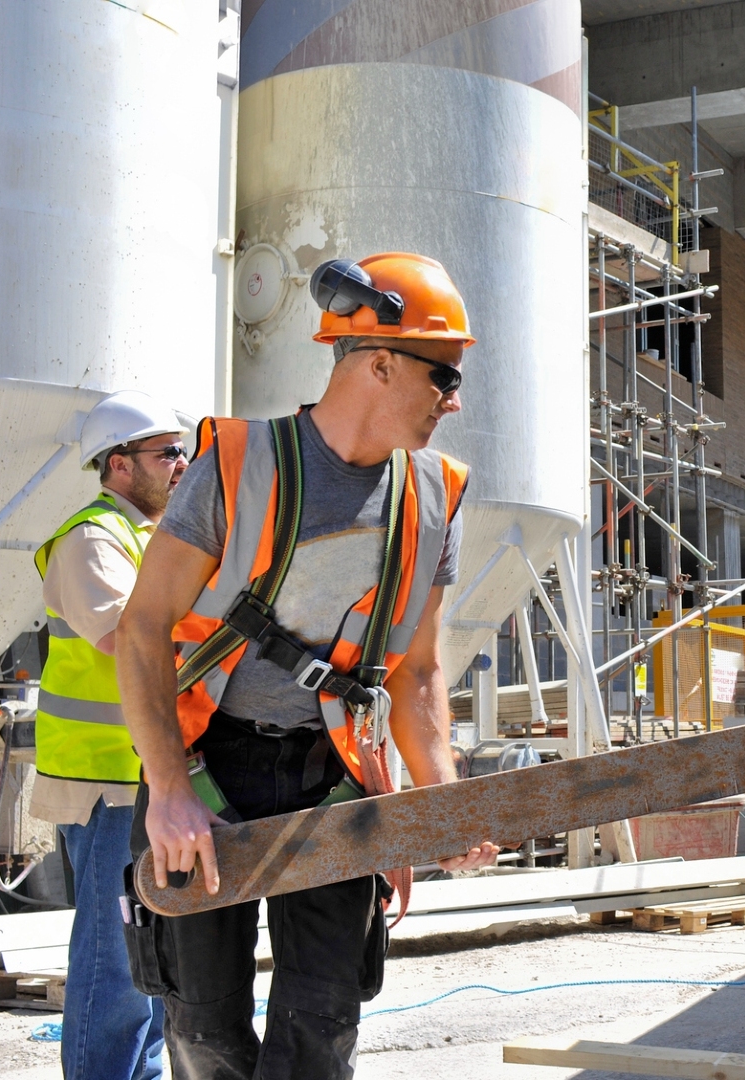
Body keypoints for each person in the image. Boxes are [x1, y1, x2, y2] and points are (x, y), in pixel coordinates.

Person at [115, 252, 499, 1079]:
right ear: (381, 362)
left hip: (333, 776)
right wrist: (172, 791)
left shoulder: (435, 495)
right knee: (204, 1029)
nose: (455, 400)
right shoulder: (235, 463)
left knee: (321, 1029)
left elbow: (418, 671)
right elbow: (144, 628)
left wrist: (432, 805)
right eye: (444, 376)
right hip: (210, 764)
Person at [31, 390, 184, 1080]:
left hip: (149, 780)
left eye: (183, 450)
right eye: (166, 453)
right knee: (115, 959)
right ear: (119, 466)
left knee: (152, 954)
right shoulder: (94, 538)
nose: (182, 464)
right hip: (107, 785)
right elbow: (125, 636)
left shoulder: (155, 537)